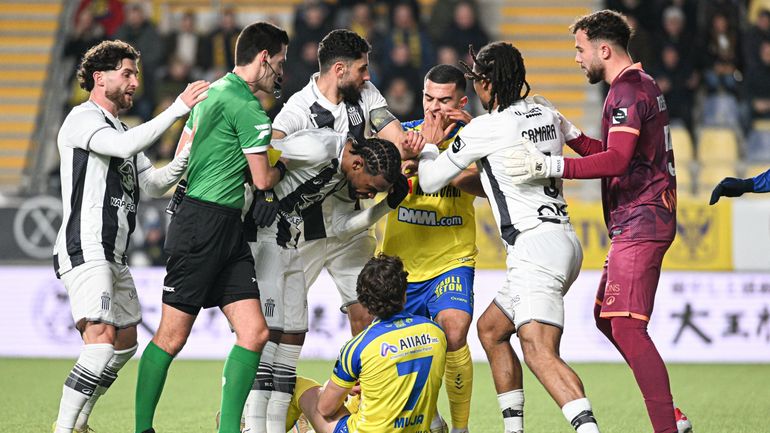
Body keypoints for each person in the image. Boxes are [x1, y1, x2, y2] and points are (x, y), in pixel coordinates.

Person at [504, 10, 692, 433]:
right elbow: (617, 154)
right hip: (640, 217)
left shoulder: (626, 92)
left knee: (625, 325)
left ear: (603, 50)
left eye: (580, 49)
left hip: (643, 218)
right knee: (607, 319)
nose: (576, 58)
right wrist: (571, 134)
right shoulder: (637, 86)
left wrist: (550, 165)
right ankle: (672, 418)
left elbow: (618, 161)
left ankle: (668, 425)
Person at [411, 41, 599, 433]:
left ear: (486, 85)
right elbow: (585, 146)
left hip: (534, 248)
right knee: (492, 330)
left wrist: (431, 143)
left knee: (538, 351)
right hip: (563, 239)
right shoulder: (545, 108)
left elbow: (428, 179)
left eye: (478, 78)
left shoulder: (488, 127)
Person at [251, 28, 423, 433]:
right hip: (301, 231)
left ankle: (367, 403)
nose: (368, 76)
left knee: (367, 312)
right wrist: (264, 191)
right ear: (340, 69)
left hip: (350, 226)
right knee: (277, 327)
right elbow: (270, 148)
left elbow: (390, 130)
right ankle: (254, 414)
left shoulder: (365, 94)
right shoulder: (297, 111)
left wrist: (407, 151)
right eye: (362, 69)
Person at [133, 22, 288, 433]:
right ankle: (141, 429)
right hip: (203, 225)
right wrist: (287, 164)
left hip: (220, 225)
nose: (281, 72)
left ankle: (228, 431)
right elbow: (262, 180)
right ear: (264, 58)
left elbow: (185, 156)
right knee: (171, 337)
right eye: (281, 62)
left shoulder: (211, 93)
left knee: (254, 332)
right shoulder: (249, 108)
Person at [51, 39, 208, 433]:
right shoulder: (82, 118)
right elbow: (123, 147)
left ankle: (81, 422)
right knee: (101, 341)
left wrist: (184, 158)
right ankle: (63, 428)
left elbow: (153, 184)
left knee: (124, 343)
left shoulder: (123, 127)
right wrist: (177, 109)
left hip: (114, 252)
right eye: (127, 73)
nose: (134, 81)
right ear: (99, 78)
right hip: (86, 244)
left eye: (135, 73)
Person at [243, 129, 409, 433]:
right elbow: (261, 149)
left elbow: (342, 228)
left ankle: (275, 425)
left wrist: (386, 205)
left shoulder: (340, 173)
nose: (371, 195)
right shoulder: (319, 147)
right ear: (358, 165)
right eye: (373, 187)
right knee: (265, 336)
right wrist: (263, 190)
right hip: (262, 239)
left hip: (289, 244)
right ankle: (251, 424)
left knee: (291, 336)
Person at [381, 64, 483, 433]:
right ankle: (433, 419)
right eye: (428, 98)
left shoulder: (475, 139)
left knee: (454, 331)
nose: (433, 108)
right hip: (398, 263)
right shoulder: (401, 135)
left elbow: (488, 187)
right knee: (400, 355)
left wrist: (436, 162)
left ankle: (460, 429)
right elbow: (375, 183)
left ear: (461, 101)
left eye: (443, 101)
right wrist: (408, 160)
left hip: (451, 260)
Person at [286, 254, 448, 433]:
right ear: (404, 293)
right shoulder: (435, 331)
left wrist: (339, 391)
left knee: (297, 385)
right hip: (417, 427)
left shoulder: (359, 346)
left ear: (363, 301)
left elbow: (325, 408)